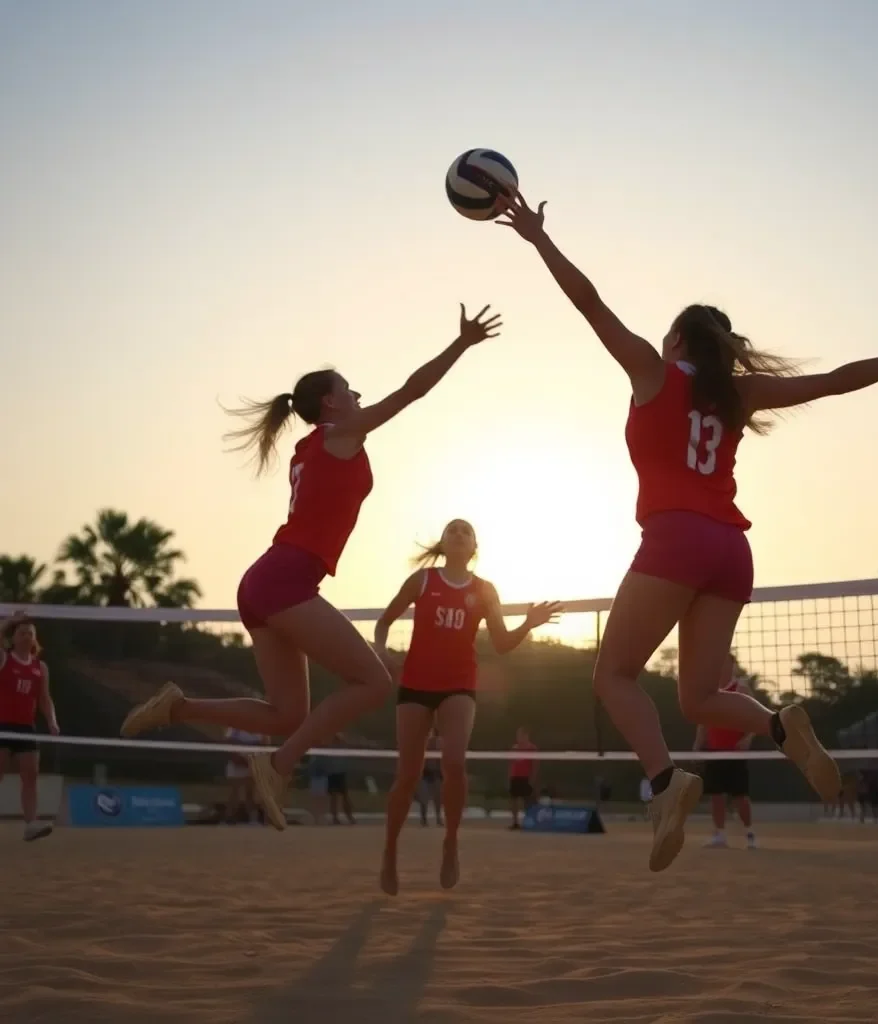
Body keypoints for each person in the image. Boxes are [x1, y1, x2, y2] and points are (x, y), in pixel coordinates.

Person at [496, 189, 878, 872]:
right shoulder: (737, 393)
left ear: (679, 340)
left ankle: (667, 783)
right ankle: (781, 726)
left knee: (612, 676)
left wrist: (538, 239)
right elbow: (836, 381)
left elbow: (589, 302)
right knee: (699, 696)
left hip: (676, 541)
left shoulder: (653, 372)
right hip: (731, 551)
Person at [120, 305, 503, 829]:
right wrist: (460, 345)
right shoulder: (336, 436)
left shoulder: (311, 446)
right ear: (330, 402)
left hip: (268, 580)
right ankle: (278, 764)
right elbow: (411, 392)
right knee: (370, 682)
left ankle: (180, 708)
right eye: (351, 390)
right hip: (285, 580)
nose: (359, 397)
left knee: (287, 715)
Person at [374, 518, 560, 894]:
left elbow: (503, 643)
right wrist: (382, 654)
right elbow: (384, 622)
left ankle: (451, 842)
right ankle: (390, 852)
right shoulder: (422, 581)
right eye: (451, 530)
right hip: (415, 684)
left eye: (465, 531)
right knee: (407, 775)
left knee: (454, 762)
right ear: (443, 543)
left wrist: (527, 624)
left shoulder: (485, 589)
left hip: (459, 684)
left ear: (474, 547)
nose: (458, 534)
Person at [0, 613, 59, 841]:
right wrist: (11, 620)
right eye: (22, 633)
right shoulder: (5, 659)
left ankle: (31, 824)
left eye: (30, 634)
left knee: (31, 776)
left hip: (26, 727)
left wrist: (52, 721)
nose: (26, 637)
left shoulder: (40, 667)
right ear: (13, 638)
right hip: (3, 725)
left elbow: (44, 698)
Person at [692, 654, 756, 849]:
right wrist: (697, 744)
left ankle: (749, 834)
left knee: (740, 797)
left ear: (733, 666)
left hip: (735, 752)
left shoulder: (741, 689)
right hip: (714, 751)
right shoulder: (709, 690)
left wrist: (748, 738)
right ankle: (719, 835)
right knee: (716, 795)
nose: (723, 668)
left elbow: (758, 717)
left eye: (727, 664)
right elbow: (704, 720)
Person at [224, 726, 266, 824]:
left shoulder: (261, 728)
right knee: (235, 792)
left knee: (250, 793)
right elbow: (228, 744)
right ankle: (228, 820)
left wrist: (255, 763)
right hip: (237, 763)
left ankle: (253, 820)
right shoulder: (234, 727)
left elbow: (264, 745)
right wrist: (240, 761)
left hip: (253, 762)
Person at [508, 726, 539, 829]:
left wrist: (532, 778)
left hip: (526, 777)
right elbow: (511, 763)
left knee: (528, 801)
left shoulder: (532, 748)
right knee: (514, 800)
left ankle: (529, 821)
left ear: (526, 736)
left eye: (521, 735)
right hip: (515, 777)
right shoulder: (514, 748)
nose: (519, 737)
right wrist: (510, 776)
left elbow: (534, 764)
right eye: (518, 735)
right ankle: (515, 822)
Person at [417, 730, 443, 828]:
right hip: (424, 774)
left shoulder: (440, 743)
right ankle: (423, 819)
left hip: (436, 773)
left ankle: (439, 819)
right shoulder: (422, 742)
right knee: (424, 798)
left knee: (438, 798)